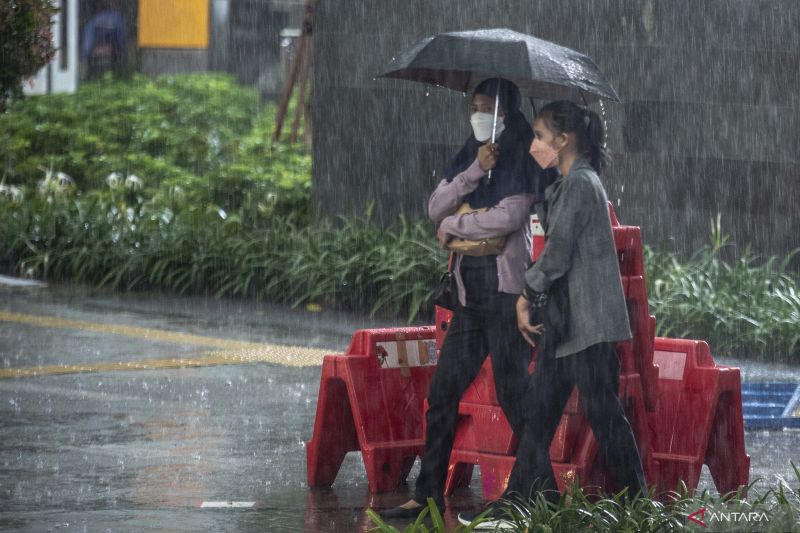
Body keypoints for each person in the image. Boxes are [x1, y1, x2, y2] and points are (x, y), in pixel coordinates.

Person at [460, 100, 647, 530]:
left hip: (589, 325)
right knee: (539, 415)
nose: (534, 145)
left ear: (564, 141)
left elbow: (558, 253)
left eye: (541, 137)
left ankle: (639, 503)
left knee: (603, 413)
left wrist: (526, 294)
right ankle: (519, 501)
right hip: (564, 324)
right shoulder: (566, 184)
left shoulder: (583, 184)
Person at [380, 79, 555, 520]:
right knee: (442, 391)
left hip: (505, 295)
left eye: (487, 108)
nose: (478, 115)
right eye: (473, 107)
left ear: (506, 112)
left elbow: (510, 217)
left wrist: (457, 226)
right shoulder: (473, 150)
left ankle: (545, 489)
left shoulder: (519, 151)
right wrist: (474, 170)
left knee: (513, 393)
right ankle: (427, 494)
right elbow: (435, 205)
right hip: (468, 299)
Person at [81, 0, 127, 78]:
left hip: (96, 51)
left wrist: (88, 53)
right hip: (112, 50)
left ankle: (90, 77)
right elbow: (121, 36)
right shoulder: (117, 18)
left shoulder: (93, 20)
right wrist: (120, 49)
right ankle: (117, 76)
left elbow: (87, 42)